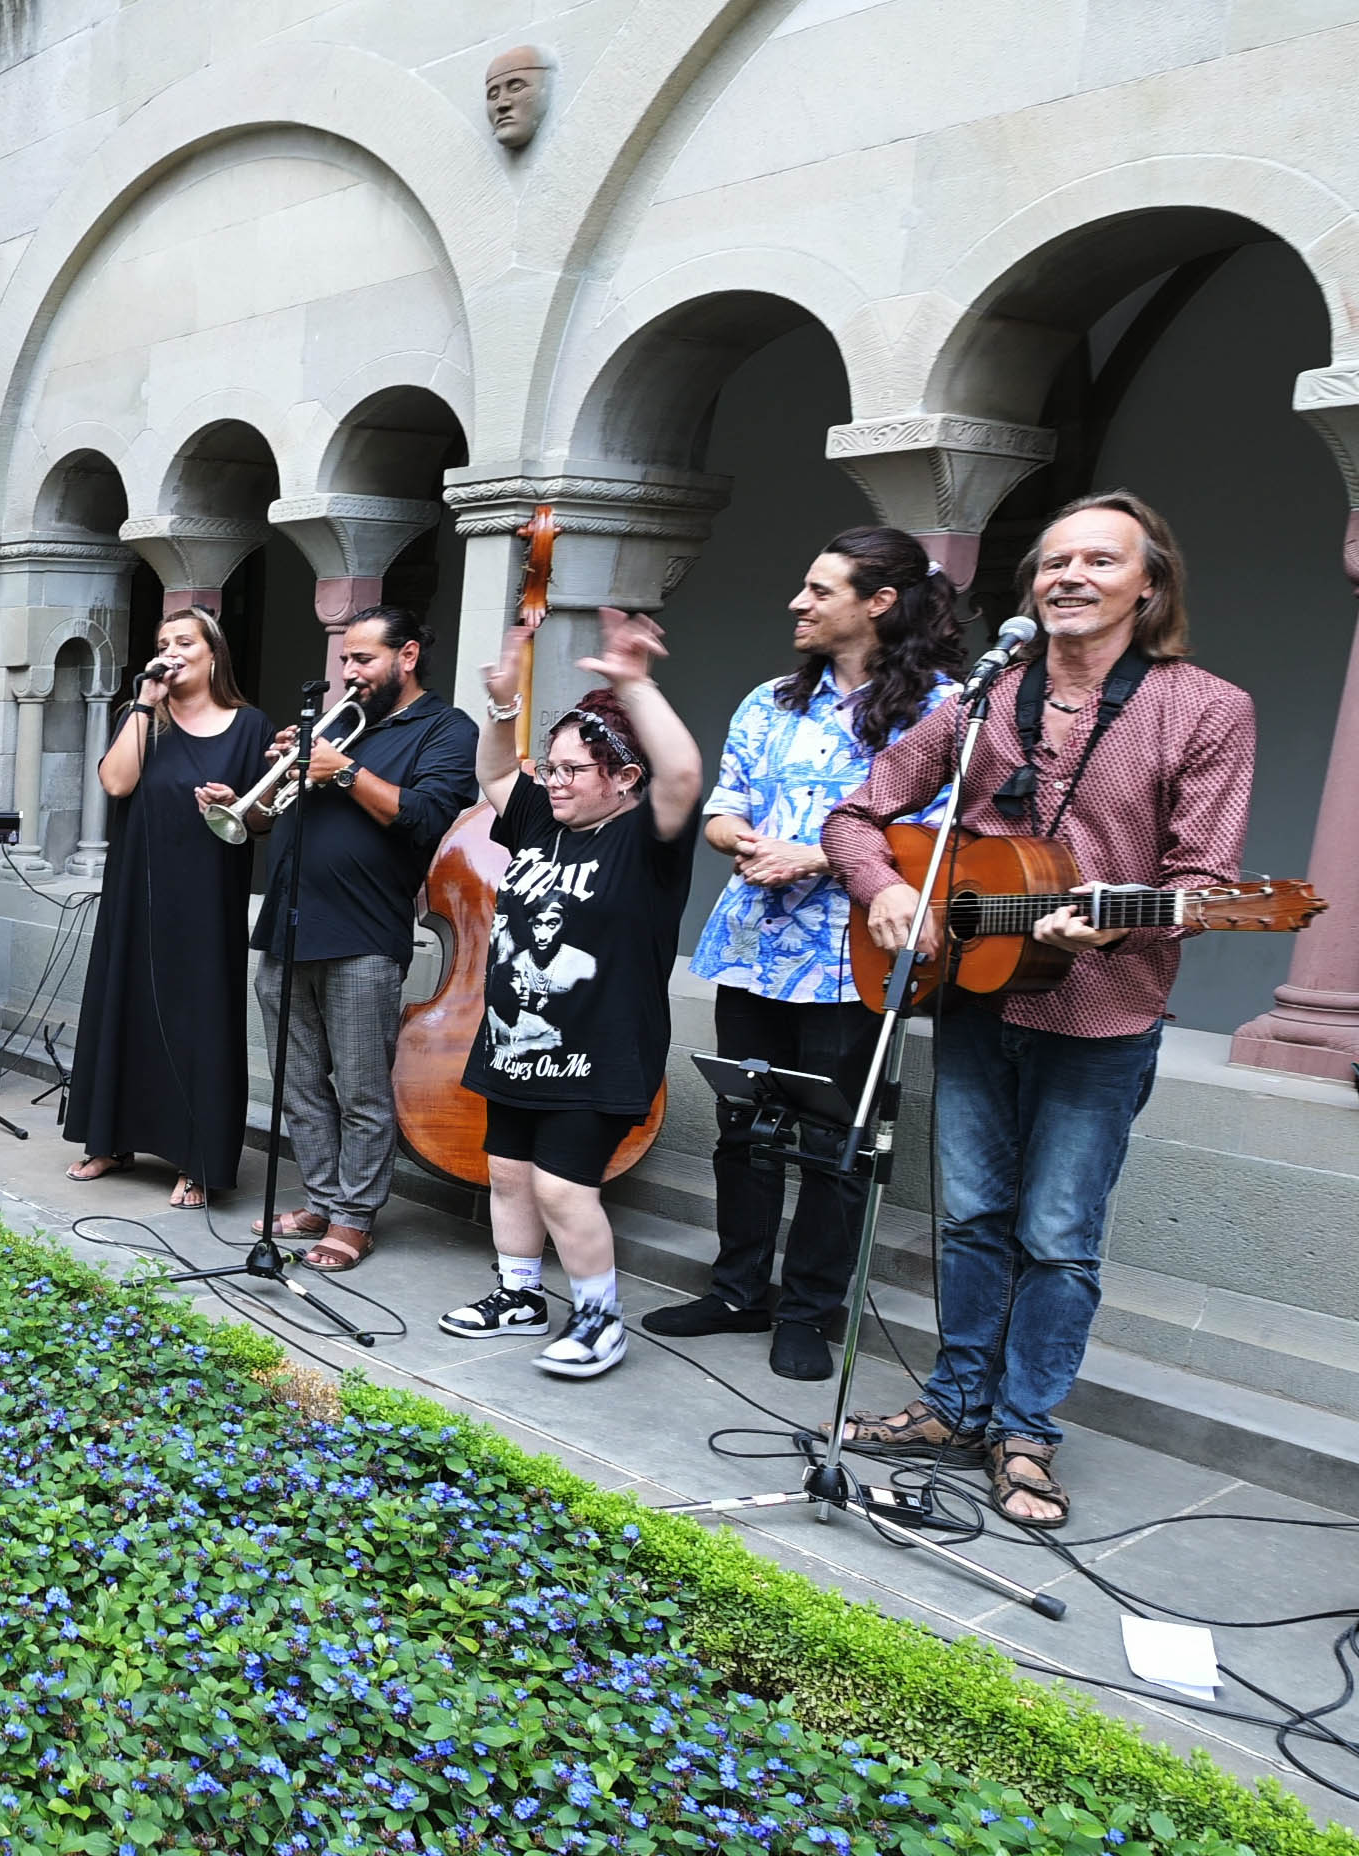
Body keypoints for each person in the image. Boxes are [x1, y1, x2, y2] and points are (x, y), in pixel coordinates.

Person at [824, 492, 1254, 1531]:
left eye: (1097, 561)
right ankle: (952, 1404)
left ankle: (1024, 1429)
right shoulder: (980, 699)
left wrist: (1105, 927)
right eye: (1052, 560)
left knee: (1056, 1235)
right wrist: (882, 887)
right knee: (969, 1217)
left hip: (1102, 1012)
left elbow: (1202, 880)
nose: (1066, 575)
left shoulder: (1202, 706)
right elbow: (853, 812)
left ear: (1146, 585)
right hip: (973, 997)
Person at [649, 526, 956, 1382]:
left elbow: (942, 834)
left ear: (879, 603)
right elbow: (723, 804)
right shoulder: (770, 700)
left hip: (853, 958)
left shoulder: (943, 709)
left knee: (836, 1142)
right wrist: (734, 834)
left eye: (820, 590)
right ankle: (738, 1289)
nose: (799, 602)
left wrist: (818, 856)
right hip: (755, 947)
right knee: (741, 1125)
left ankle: (810, 1311)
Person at [436, 610, 705, 1381]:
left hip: (600, 1048)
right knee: (510, 1172)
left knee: (562, 1185)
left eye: (569, 770)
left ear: (622, 777)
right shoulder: (542, 823)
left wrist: (632, 684)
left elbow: (683, 774)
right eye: (549, 768)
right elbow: (493, 777)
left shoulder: (647, 837)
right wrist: (502, 705)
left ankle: (598, 1317)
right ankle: (519, 1296)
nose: (551, 782)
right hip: (519, 1038)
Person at [248, 605, 480, 1272]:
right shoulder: (333, 730)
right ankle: (321, 1198)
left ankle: (354, 1218)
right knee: (298, 1082)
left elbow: (429, 817)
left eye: (363, 659)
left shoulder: (443, 728)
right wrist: (270, 784)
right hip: (287, 926)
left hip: (364, 935)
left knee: (362, 1088)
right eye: (345, 659)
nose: (348, 672)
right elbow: (266, 822)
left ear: (406, 657)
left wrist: (341, 770)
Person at [63, 607, 270, 1210]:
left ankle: (197, 1160)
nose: (173, 651)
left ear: (213, 654)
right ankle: (113, 1140)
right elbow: (116, 783)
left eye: (185, 641)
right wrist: (144, 703)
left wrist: (238, 799)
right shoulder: (145, 718)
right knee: (125, 1004)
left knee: (200, 1020)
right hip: (137, 891)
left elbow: (262, 818)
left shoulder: (249, 725)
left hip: (207, 898)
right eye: (163, 643)